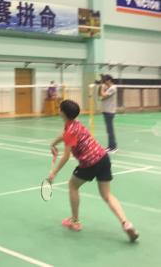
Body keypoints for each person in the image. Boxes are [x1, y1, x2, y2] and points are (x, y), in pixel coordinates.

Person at [49, 99, 138, 242]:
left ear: (63, 113)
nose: (58, 110)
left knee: (73, 186)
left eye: (60, 108)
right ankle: (126, 223)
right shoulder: (75, 124)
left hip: (89, 163)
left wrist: (54, 173)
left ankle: (75, 221)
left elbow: (65, 156)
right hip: (103, 158)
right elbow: (64, 136)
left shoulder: (70, 130)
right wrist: (53, 143)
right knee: (107, 195)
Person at [99, 75, 118, 153]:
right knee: (108, 130)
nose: (104, 82)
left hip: (110, 112)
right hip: (106, 111)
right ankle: (110, 146)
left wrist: (102, 88)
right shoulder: (109, 88)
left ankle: (113, 147)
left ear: (109, 80)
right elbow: (101, 97)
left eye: (105, 81)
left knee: (110, 130)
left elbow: (103, 96)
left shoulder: (113, 88)